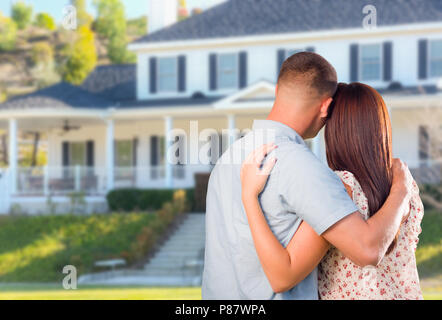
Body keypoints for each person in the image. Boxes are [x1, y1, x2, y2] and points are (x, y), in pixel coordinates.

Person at [202, 52, 413, 300]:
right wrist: (402, 190)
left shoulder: (228, 158)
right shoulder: (302, 166)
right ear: (326, 106)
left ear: (278, 89)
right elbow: (367, 249)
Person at [240, 82, 423, 300]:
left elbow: (283, 276)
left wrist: (249, 196)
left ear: (335, 131)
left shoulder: (340, 187)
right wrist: (400, 189)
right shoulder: (404, 184)